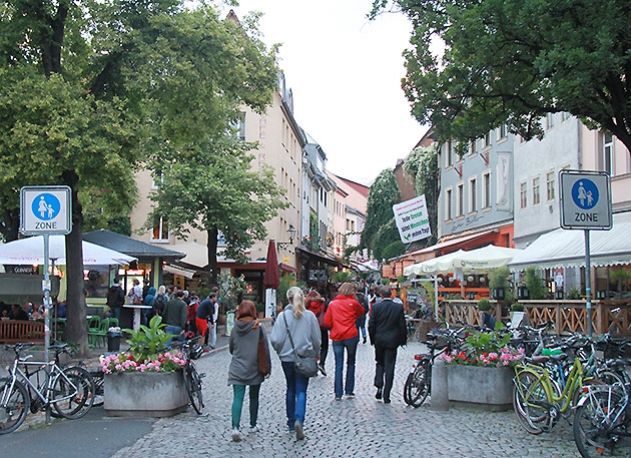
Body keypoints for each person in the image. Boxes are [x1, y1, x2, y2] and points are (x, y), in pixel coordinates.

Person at [270, 286, 321, 441]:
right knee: (301, 391)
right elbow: (316, 339)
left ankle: (291, 422)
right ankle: (300, 419)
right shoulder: (310, 316)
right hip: (304, 357)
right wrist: (316, 353)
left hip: (287, 359)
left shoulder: (282, 317)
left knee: (290, 388)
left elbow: (275, 339)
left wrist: (280, 351)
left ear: (288, 299)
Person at [228, 300, 271, 442]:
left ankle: (235, 427)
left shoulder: (235, 328)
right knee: (254, 397)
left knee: (237, 397)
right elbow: (265, 348)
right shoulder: (258, 327)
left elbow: (231, 348)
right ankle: (253, 424)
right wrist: (268, 367)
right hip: (254, 367)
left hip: (237, 367)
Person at [323, 282, 365, 400]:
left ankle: (338, 393)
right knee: (351, 363)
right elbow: (361, 312)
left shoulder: (332, 304)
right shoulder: (353, 303)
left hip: (337, 336)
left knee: (338, 364)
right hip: (351, 335)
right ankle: (349, 390)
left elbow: (327, 322)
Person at [368, 285, 407, 404]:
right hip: (392, 341)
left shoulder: (376, 307)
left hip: (379, 340)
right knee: (390, 366)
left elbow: (371, 325)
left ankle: (379, 385)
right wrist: (402, 340)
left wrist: (373, 339)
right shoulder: (398, 307)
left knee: (379, 363)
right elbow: (402, 326)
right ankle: (387, 394)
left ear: (380, 295)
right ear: (391, 294)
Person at [305, 290, 328, 376]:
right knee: (324, 346)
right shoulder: (323, 304)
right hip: (322, 327)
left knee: (311, 346)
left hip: (309, 328)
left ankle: (313, 365)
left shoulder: (306, 305)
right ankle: (322, 363)